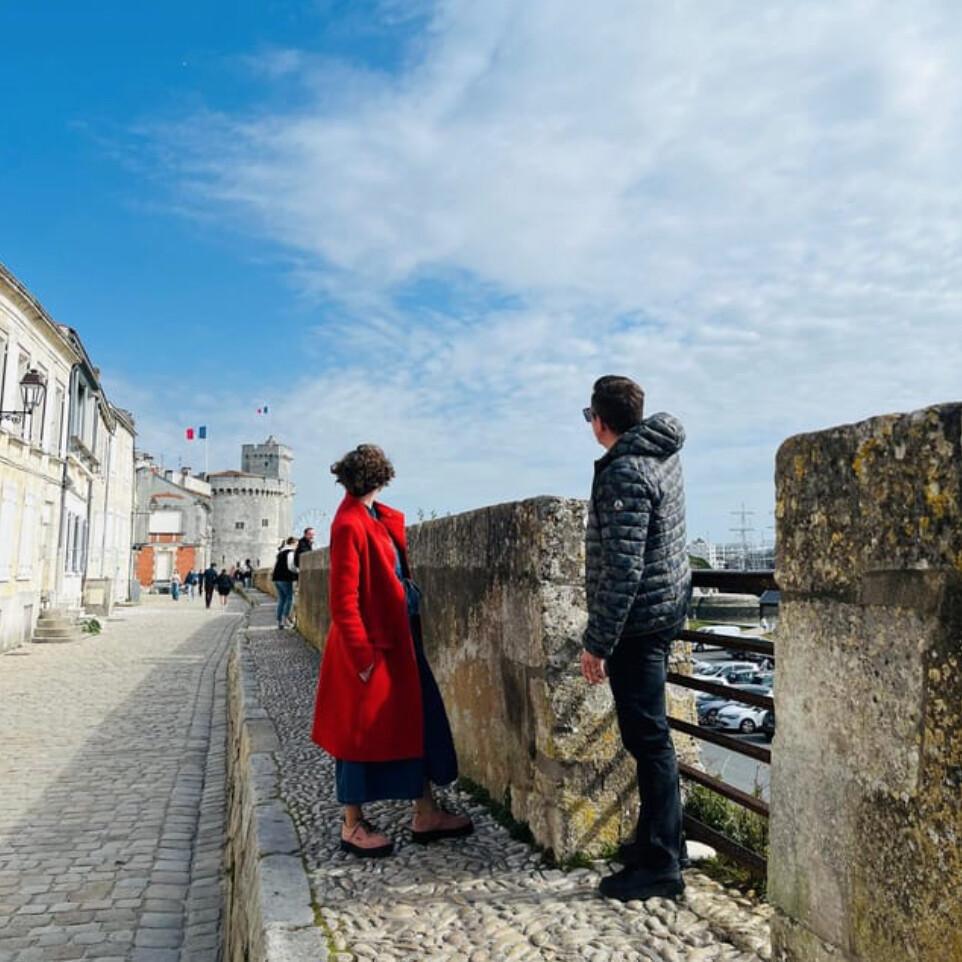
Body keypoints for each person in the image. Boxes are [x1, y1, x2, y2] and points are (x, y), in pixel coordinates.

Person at [311, 444, 472, 858]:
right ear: (382, 479)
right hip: (372, 648)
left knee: (418, 725)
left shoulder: (373, 517)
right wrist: (362, 659)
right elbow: (343, 601)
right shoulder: (349, 523)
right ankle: (352, 825)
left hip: (399, 641)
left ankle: (426, 812)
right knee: (357, 738)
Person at [580, 375, 691, 902]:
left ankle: (662, 865)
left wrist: (597, 642)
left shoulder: (624, 471)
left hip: (639, 624)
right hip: (664, 610)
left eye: (589, 417)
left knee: (648, 741)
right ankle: (660, 842)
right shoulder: (661, 454)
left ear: (601, 421)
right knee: (651, 739)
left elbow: (623, 569)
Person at [272, 538, 298, 629]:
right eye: (296, 544)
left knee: (281, 599)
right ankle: (285, 619)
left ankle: (279, 621)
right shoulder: (290, 552)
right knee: (289, 599)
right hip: (285, 578)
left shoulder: (281, 552)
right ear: (292, 543)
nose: (297, 546)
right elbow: (291, 566)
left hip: (276, 578)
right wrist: (298, 571)